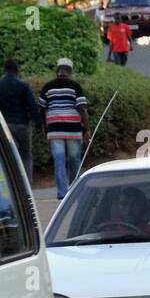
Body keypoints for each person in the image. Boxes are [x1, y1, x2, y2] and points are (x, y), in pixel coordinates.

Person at [37, 58, 89, 199]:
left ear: (57, 70)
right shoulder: (75, 86)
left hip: (54, 130)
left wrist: (43, 125)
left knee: (59, 161)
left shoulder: (47, 87)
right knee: (74, 161)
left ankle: (62, 193)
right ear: (70, 71)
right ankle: (74, 191)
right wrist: (88, 129)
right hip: (73, 129)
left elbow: (41, 108)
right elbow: (82, 109)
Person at [0, 59, 40, 185]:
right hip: (22, 124)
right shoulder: (23, 85)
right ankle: (27, 184)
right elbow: (32, 106)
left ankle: (13, 184)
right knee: (26, 155)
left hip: (5, 125)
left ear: (5, 69)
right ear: (17, 69)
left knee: (9, 155)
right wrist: (38, 123)